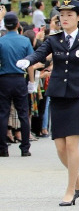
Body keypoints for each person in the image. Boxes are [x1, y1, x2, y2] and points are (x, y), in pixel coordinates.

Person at [16, 0, 79, 206]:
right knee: (60, 146)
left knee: (71, 144)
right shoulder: (54, 39)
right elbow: (40, 53)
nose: (65, 18)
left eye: (70, 15)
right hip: (59, 95)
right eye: (62, 15)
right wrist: (29, 61)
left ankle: (71, 190)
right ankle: (77, 175)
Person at [0, 13, 34, 158]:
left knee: (3, 114)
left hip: (4, 78)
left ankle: (2, 148)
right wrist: (31, 82)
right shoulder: (25, 41)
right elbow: (30, 64)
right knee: (23, 114)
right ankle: (25, 148)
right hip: (20, 79)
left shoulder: (1, 41)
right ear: (17, 24)